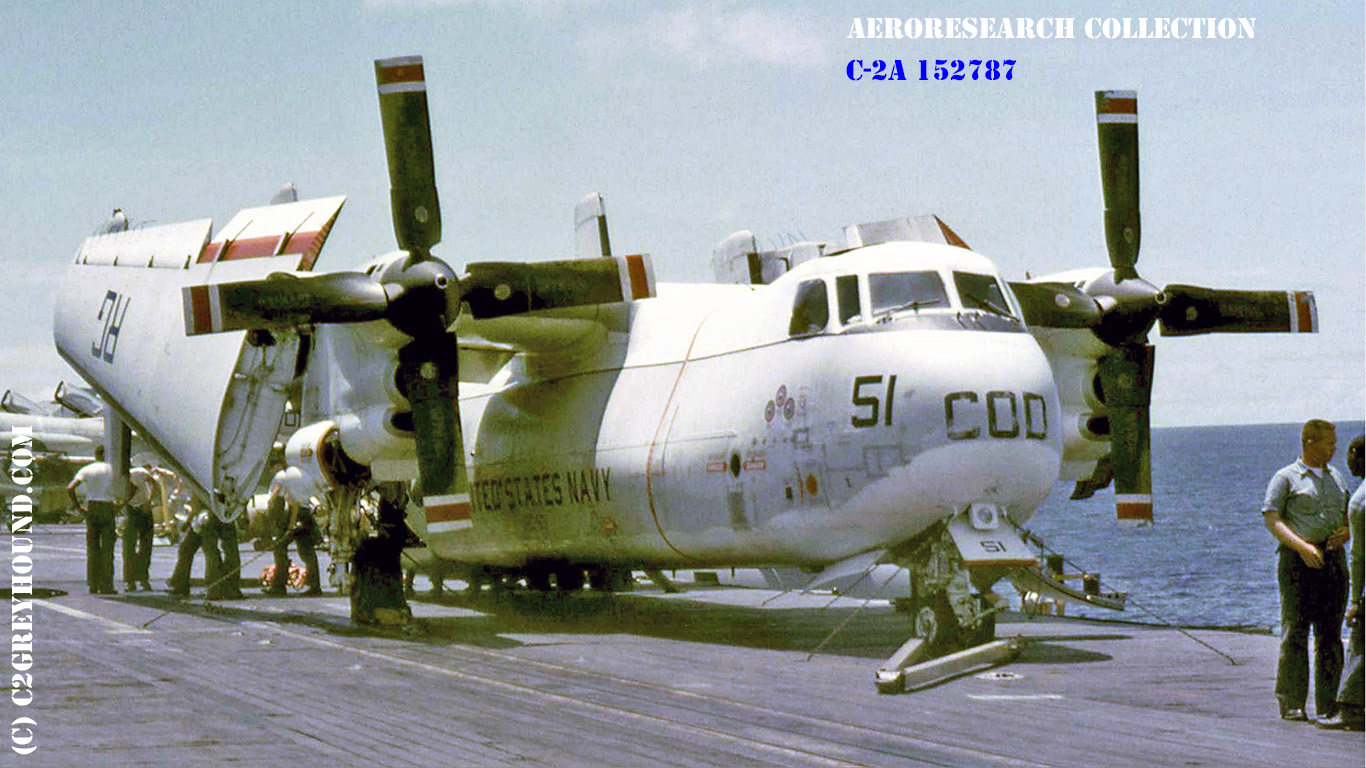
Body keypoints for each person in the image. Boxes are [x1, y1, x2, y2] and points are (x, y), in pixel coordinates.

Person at [1262, 419, 1351, 722]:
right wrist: (1302, 547)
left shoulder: (1337, 478)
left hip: (1332, 560)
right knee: (1296, 631)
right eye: (1328, 443)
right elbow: (1272, 519)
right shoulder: (1286, 478)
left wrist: (1346, 532)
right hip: (1298, 561)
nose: (1334, 448)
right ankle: (1292, 702)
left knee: (1330, 634)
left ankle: (1329, 703)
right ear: (1309, 443)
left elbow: (1349, 513)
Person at [1319, 435, 1365, 730]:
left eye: (1351, 454)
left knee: (1361, 643)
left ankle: (1350, 708)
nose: (1347, 461)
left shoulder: (1360, 501)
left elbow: (1360, 556)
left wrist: (1357, 601)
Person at [263, 460, 322, 596]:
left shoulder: (282, 476)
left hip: (297, 514)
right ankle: (315, 587)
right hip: (306, 515)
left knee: (279, 547)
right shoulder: (298, 475)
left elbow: (287, 500)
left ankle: (279, 586)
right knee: (307, 551)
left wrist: (290, 525)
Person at [67, 445, 118, 594]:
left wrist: (78, 507)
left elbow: (70, 488)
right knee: (107, 549)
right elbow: (129, 487)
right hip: (108, 506)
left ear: (96, 455)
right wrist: (120, 505)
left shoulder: (87, 469)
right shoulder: (112, 469)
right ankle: (107, 585)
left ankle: (93, 584)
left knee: (93, 548)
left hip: (92, 506)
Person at [122, 463, 178, 591]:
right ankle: (136, 580)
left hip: (141, 508)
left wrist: (149, 501)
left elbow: (154, 484)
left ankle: (139, 580)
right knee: (136, 547)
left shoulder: (138, 472)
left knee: (137, 547)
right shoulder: (135, 473)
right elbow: (154, 484)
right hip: (135, 509)